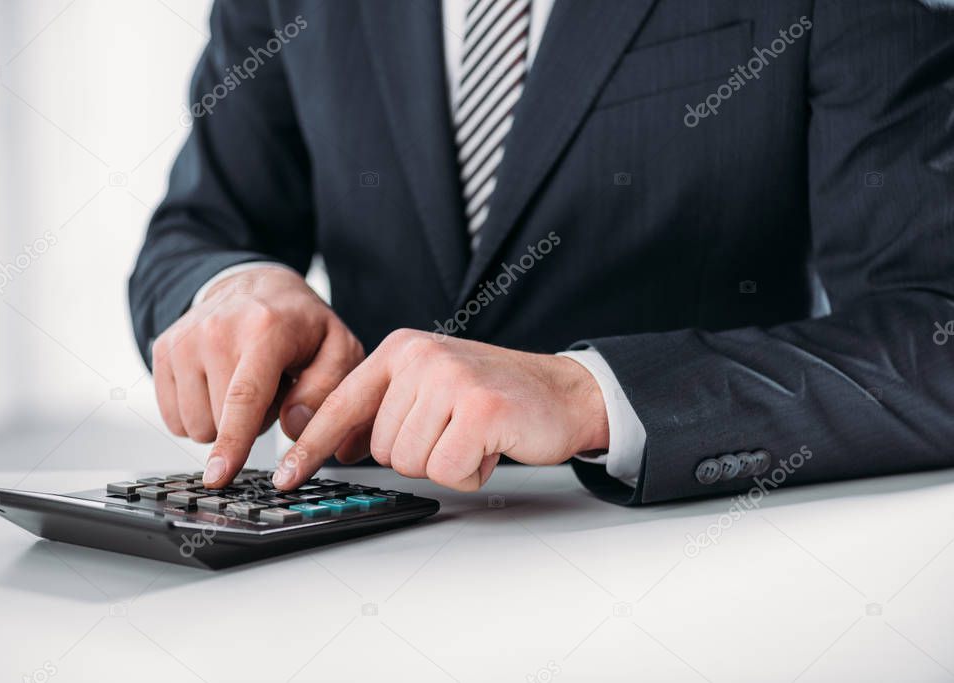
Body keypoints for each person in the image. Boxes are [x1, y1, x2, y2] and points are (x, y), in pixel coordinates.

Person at [129, 0, 954, 505]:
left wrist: (592, 396)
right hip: (351, 574)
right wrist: (232, 289)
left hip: (686, 579)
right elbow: (197, 229)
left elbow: (934, 331)